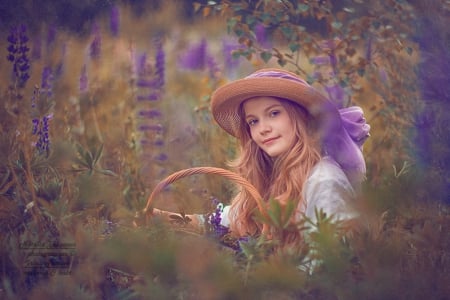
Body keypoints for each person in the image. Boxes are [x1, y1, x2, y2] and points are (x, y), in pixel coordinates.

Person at [149, 68, 370, 246]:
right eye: (253, 121)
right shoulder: (272, 174)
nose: (262, 129)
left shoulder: (324, 181)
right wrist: (160, 217)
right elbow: (219, 222)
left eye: (274, 113)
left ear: (300, 116)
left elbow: (329, 267)